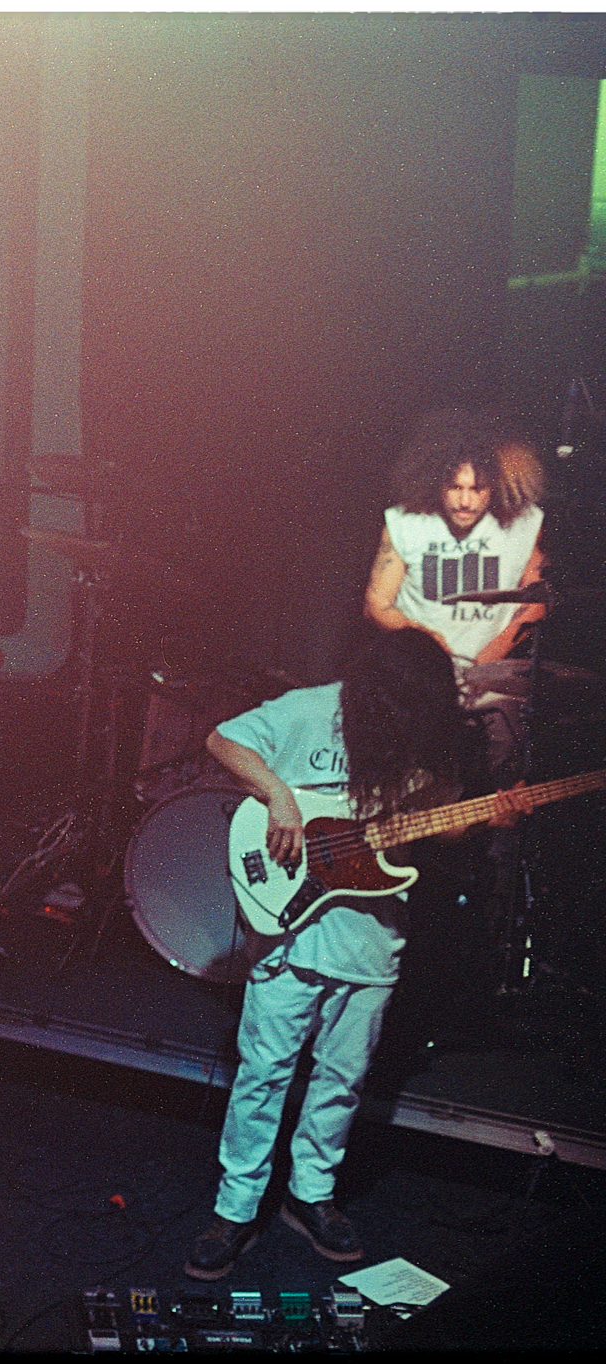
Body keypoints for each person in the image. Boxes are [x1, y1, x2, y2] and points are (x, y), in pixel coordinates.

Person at [183, 628, 521, 1280]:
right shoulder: (312, 707)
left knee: (343, 1078)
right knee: (265, 1073)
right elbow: (223, 739)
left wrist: (484, 816)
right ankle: (235, 1206)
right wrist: (279, 795)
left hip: (371, 935)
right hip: (291, 927)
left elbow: (438, 814)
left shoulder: (425, 737)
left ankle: (311, 1195)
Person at [364, 408, 548, 776]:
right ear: (437, 483)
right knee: (414, 777)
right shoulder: (406, 524)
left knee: (494, 774)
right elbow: (376, 604)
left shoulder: (525, 525)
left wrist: (497, 649)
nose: (465, 502)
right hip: (422, 679)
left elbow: (539, 598)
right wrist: (427, 642)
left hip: (492, 680)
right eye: (455, 488)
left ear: (492, 487)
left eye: (477, 489)